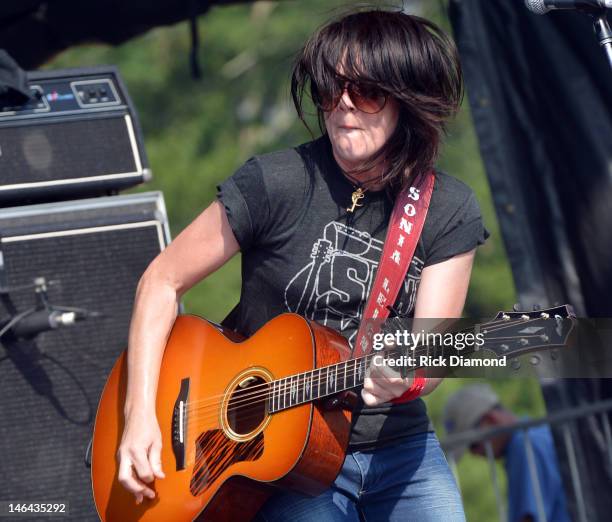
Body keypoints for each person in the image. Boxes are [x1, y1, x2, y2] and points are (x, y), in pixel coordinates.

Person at [117, 8, 488, 521]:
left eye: (366, 92)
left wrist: (408, 374)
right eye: (329, 89)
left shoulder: (447, 207)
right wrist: (140, 418)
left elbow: (433, 349)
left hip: (399, 449)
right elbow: (160, 281)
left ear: (408, 98)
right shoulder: (274, 182)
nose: (343, 107)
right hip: (280, 458)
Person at [443, 384, 571, 522]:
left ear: (491, 420)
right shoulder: (534, 436)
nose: (474, 454)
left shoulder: (523, 445)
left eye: (474, 445)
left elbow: (528, 518)